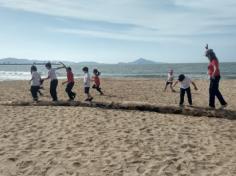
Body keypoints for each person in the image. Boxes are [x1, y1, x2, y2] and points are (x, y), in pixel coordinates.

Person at [205, 44, 227, 109]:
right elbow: (208, 52)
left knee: (211, 90)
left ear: (210, 55)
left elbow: (215, 68)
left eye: (207, 55)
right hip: (214, 77)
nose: (207, 56)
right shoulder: (211, 59)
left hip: (215, 77)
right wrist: (206, 48)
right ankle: (223, 104)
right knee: (215, 90)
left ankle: (211, 106)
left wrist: (212, 75)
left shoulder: (214, 60)